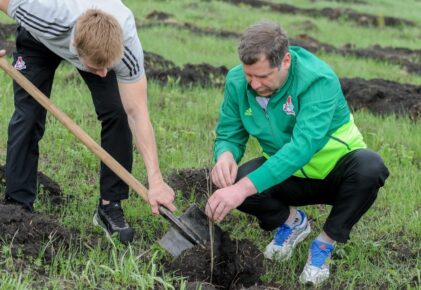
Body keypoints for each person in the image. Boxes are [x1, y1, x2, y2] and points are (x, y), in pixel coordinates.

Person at [205, 20, 389, 285]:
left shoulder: (318, 80)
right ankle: (293, 223)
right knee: (233, 182)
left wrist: (242, 188)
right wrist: (225, 155)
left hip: (335, 173)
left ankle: (324, 244)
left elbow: (303, 146)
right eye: (249, 75)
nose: (254, 84)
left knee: (370, 167)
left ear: (286, 61)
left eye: (263, 76)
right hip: (287, 175)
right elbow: (230, 133)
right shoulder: (237, 81)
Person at [0, 0, 176, 244]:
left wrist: (155, 180)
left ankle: (109, 206)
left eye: (107, 68)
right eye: (97, 68)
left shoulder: (126, 45)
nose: (104, 74)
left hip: (97, 44)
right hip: (40, 39)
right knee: (28, 115)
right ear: (76, 50)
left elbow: (137, 112)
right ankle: (17, 206)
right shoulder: (39, 12)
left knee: (118, 112)